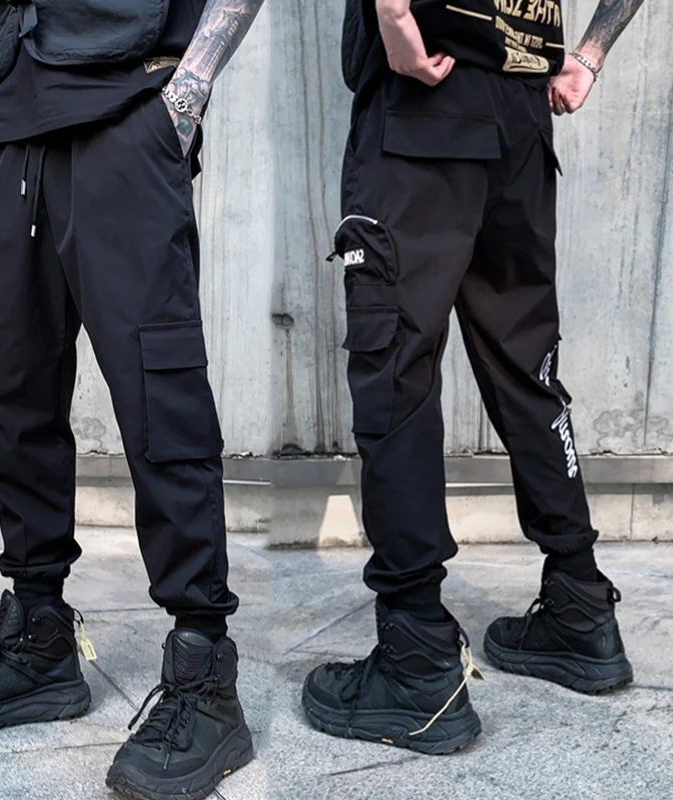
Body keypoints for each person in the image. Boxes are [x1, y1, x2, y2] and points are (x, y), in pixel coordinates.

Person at [0, 1, 264, 797]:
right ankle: (39, 642)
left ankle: (205, 678)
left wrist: (188, 91)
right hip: (8, 114)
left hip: (127, 102)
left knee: (157, 390)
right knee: (13, 388)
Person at [302, 0, 647, 755]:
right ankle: (580, 606)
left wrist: (395, 17)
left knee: (396, 369)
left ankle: (417, 659)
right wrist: (587, 56)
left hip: (426, 102)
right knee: (528, 366)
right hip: (521, 117)